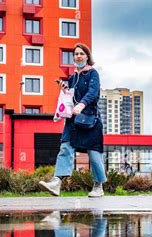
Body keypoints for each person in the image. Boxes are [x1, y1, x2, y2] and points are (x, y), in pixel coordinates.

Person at [39, 43, 106, 198]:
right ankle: (57, 182)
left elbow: (93, 93)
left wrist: (81, 105)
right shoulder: (72, 77)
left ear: (87, 56)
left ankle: (98, 186)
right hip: (73, 121)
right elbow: (70, 98)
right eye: (76, 54)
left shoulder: (93, 74)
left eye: (81, 54)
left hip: (90, 120)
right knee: (65, 147)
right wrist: (65, 91)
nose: (78, 56)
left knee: (94, 156)